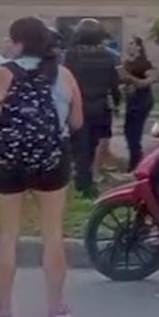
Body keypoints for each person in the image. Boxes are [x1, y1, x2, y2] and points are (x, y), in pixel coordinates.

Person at [0, 17, 84, 317]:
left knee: (7, 236)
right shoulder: (64, 75)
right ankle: (56, 311)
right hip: (52, 161)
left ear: (17, 43)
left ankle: (2, 314)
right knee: (52, 234)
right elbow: (76, 124)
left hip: (8, 162)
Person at [63, 18, 122, 196]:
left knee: (80, 146)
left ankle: (83, 182)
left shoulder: (72, 56)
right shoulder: (109, 56)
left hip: (78, 105)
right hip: (101, 106)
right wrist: (117, 103)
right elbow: (114, 84)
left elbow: (66, 80)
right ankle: (86, 181)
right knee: (92, 145)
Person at [121, 36, 159, 171]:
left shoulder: (143, 63)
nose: (128, 47)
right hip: (131, 100)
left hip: (142, 101)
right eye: (128, 44)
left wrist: (131, 79)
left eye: (131, 44)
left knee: (134, 133)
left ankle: (136, 164)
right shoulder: (127, 63)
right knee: (129, 132)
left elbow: (149, 80)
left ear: (138, 47)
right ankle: (135, 160)